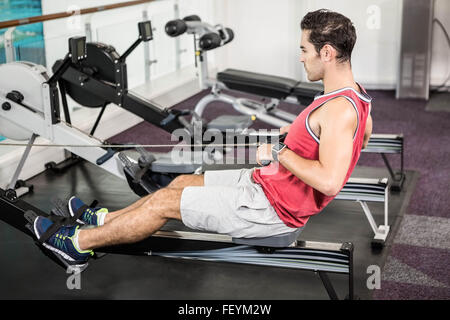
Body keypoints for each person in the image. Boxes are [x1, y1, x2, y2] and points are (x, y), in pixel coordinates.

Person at [33, 9, 373, 268]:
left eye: (304, 49)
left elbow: (330, 181)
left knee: (164, 204)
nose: (301, 57)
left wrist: (281, 152)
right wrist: (296, 135)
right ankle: (105, 221)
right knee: (179, 182)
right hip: (263, 186)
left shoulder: (339, 109)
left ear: (326, 52)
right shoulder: (355, 98)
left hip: (271, 209)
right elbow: (357, 142)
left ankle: (77, 245)